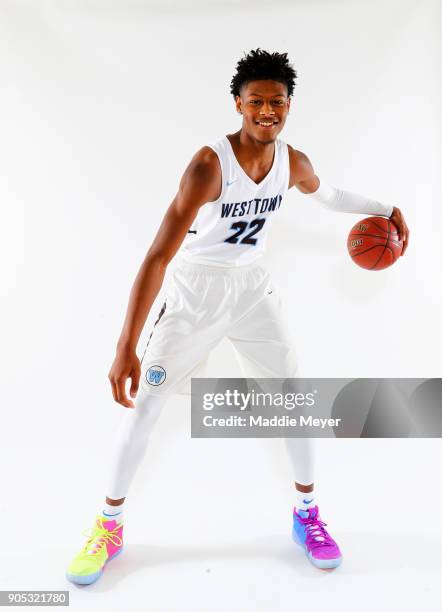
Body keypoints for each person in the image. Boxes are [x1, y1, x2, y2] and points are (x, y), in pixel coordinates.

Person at [66, 48, 409, 584]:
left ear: (288, 106)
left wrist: (385, 209)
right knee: (147, 408)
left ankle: (306, 516)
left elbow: (332, 194)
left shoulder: (292, 162)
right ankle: (107, 526)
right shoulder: (209, 165)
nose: (266, 111)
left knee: (294, 399)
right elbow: (157, 256)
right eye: (256, 102)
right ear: (238, 105)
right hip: (193, 297)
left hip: (253, 293)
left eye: (276, 102)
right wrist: (124, 344)